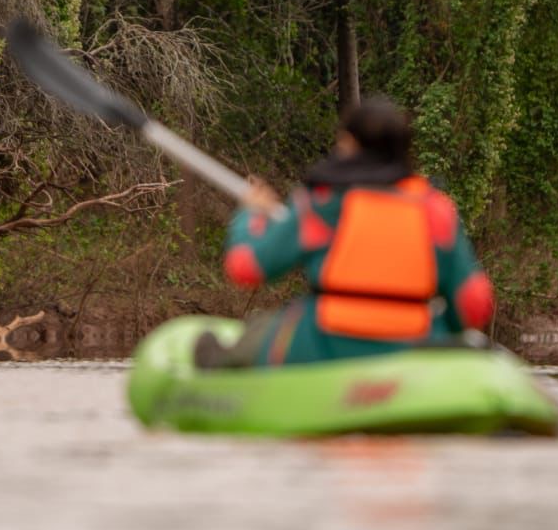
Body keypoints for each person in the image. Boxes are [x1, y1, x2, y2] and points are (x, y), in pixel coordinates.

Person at [194, 96, 494, 369]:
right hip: (412, 345)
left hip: (325, 342)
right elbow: (472, 302)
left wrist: (252, 215)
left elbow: (247, 266)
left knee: (257, 330)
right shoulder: (435, 211)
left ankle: (218, 365)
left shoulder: (323, 203)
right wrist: (445, 329)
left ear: (348, 143)